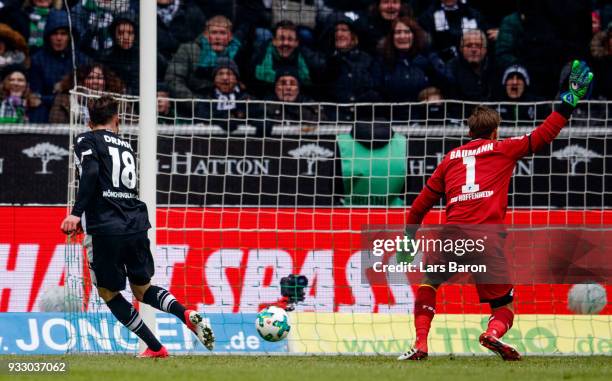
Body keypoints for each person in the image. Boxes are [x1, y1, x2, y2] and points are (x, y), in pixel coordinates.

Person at [397, 60, 593, 361]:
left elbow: (419, 206)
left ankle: (421, 343)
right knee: (503, 306)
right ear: (495, 131)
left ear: (470, 132)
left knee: (429, 283)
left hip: (453, 235)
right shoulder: (503, 149)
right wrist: (568, 103)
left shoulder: (450, 158)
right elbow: (543, 135)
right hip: (487, 239)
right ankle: (492, 334)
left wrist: (408, 242)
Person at [60, 96, 215, 358]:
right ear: (116, 119)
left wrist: (76, 214)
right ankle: (185, 314)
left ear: (88, 122)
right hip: (135, 224)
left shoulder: (86, 140)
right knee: (142, 289)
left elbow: (90, 174)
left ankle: (155, 347)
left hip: (105, 227)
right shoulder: (125, 145)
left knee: (108, 292)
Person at [165, 15, 244, 100]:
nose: (217, 37)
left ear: (230, 37)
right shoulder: (187, 50)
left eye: (222, 33)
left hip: (231, 103)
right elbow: (173, 80)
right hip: (196, 104)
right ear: (205, 35)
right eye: (213, 32)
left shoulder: (240, 52)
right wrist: (196, 103)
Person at [250, 20, 324, 97]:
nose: (285, 43)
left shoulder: (309, 59)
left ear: (296, 43)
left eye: (290, 39)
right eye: (282, 38)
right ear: (274, 41)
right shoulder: (259, 56)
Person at [49, 63, 125, 123]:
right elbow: (56, 125)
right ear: (82, 81)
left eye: (99, 78)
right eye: (90, 78)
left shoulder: (118, 101)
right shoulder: (64, 100)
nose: (95, 82)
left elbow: (131, 125)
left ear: (106, 81)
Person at [446, 29, 496, 101]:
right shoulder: (451, 69)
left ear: (485, 49)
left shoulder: (494, 67)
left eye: (478, 45)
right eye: (469, 45)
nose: (474, 49)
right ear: (461, 49)